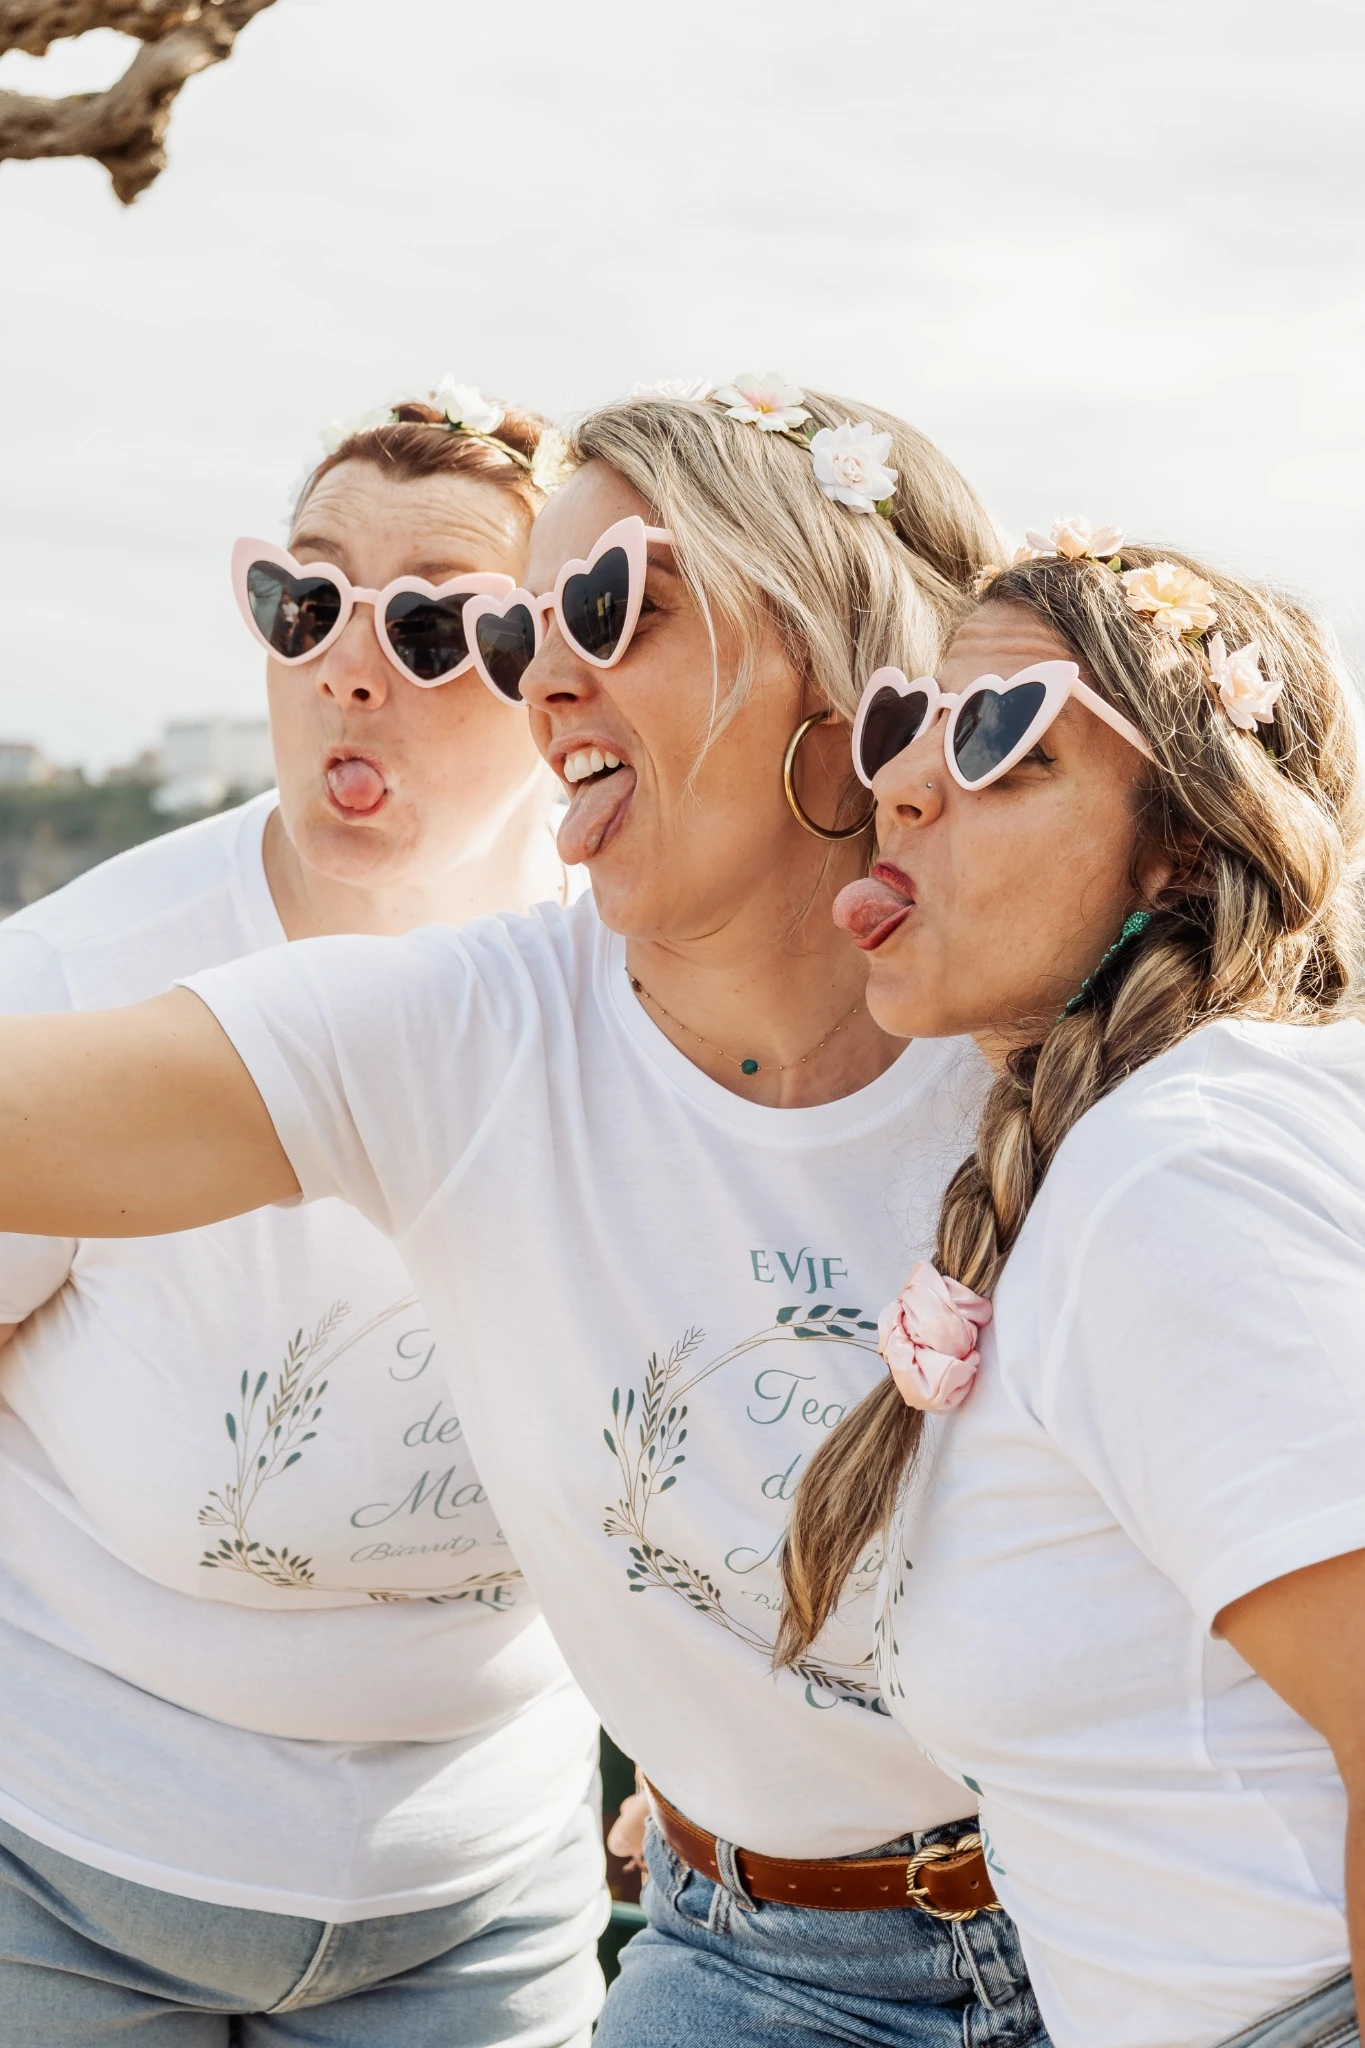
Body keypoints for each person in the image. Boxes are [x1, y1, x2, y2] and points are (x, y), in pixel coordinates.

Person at [0, 377, 1051, 2047]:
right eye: (525, 630)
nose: (545, 674)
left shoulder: (1069, 1061)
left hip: (1118, 1916)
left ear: (834, 647)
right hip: (716, 1955)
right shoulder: (458, 1030)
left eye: (607, 606)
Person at [0, 388, 608, 2046]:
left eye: (433, 627)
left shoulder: (644, 996)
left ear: (562, 669)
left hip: (483, 1899)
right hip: (59, 1870)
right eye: (306, 601)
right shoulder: (72, 984)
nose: (347, 666)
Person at [778, 521, 1365, 2048]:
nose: (907, 786)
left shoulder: (1174, 1177)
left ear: (1184, 846)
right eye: (909, 727)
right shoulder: (1164, 1140)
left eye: (1000, 739)